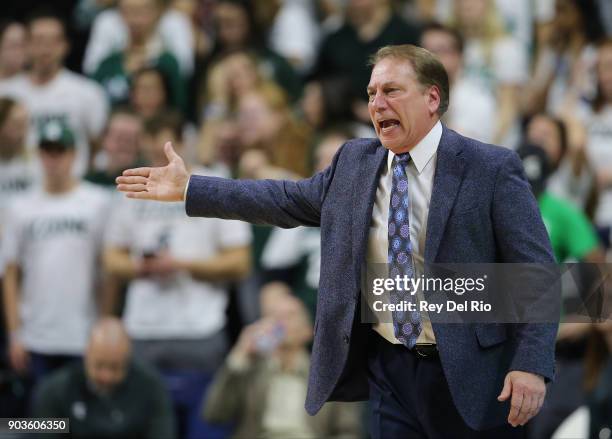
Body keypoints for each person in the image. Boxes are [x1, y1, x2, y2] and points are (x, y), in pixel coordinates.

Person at [117, 44, 558, 437]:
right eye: (371, 94)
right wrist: (192, 188)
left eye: (391, 91)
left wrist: (532, 364)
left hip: (473, 373)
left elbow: (537, 274)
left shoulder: (490, 168)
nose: (377, 103)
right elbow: (285, 198)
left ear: (432, 98)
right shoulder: (354, 161)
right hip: (390, 368)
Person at [105, 111, 252, 439]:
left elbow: (240, 261)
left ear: (184, 144)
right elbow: (112, 259)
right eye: (152, 150)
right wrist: (140, 267)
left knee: (205, 429)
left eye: (166, 150)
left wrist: (182, 264)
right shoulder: (132, 186)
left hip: (199, 330)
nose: (159, 159)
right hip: (143, 328)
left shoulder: (213, 185)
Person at [2, 121, 110, 386]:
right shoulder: (20, 206)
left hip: (83, 332)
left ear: (73, 154)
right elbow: (11, 272)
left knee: (78, 423)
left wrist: (103, 325)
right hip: (35, 333)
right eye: (47, 151)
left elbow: (107, 271)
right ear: (39, 155)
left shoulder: (96, 202)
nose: (53, 159)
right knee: (39, 422)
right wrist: (15, 333)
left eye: (59, 151)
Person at [203, 282, 362, 438]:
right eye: (274, 316)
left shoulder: (330, 377)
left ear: (309, 330)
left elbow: (348, 430)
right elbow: (214, 415)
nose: (281, 322)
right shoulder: (250, 370)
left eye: (290, 315)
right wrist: (239, 356)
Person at [0, 10, 108, 178]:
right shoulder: (5, 92)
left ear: (65, 45)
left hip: (72, 191)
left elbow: (98, 145)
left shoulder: (87, 92)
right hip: (16, 192)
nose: (45, 49)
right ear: (26, 45)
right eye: (39, 40)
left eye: (53, 41)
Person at [33, 317, 176, 439]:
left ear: (128, 361)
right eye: (99, 365)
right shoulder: (56, 390)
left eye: (115, 367)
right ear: (86, 355)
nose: (106, 376)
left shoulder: (151, 388)